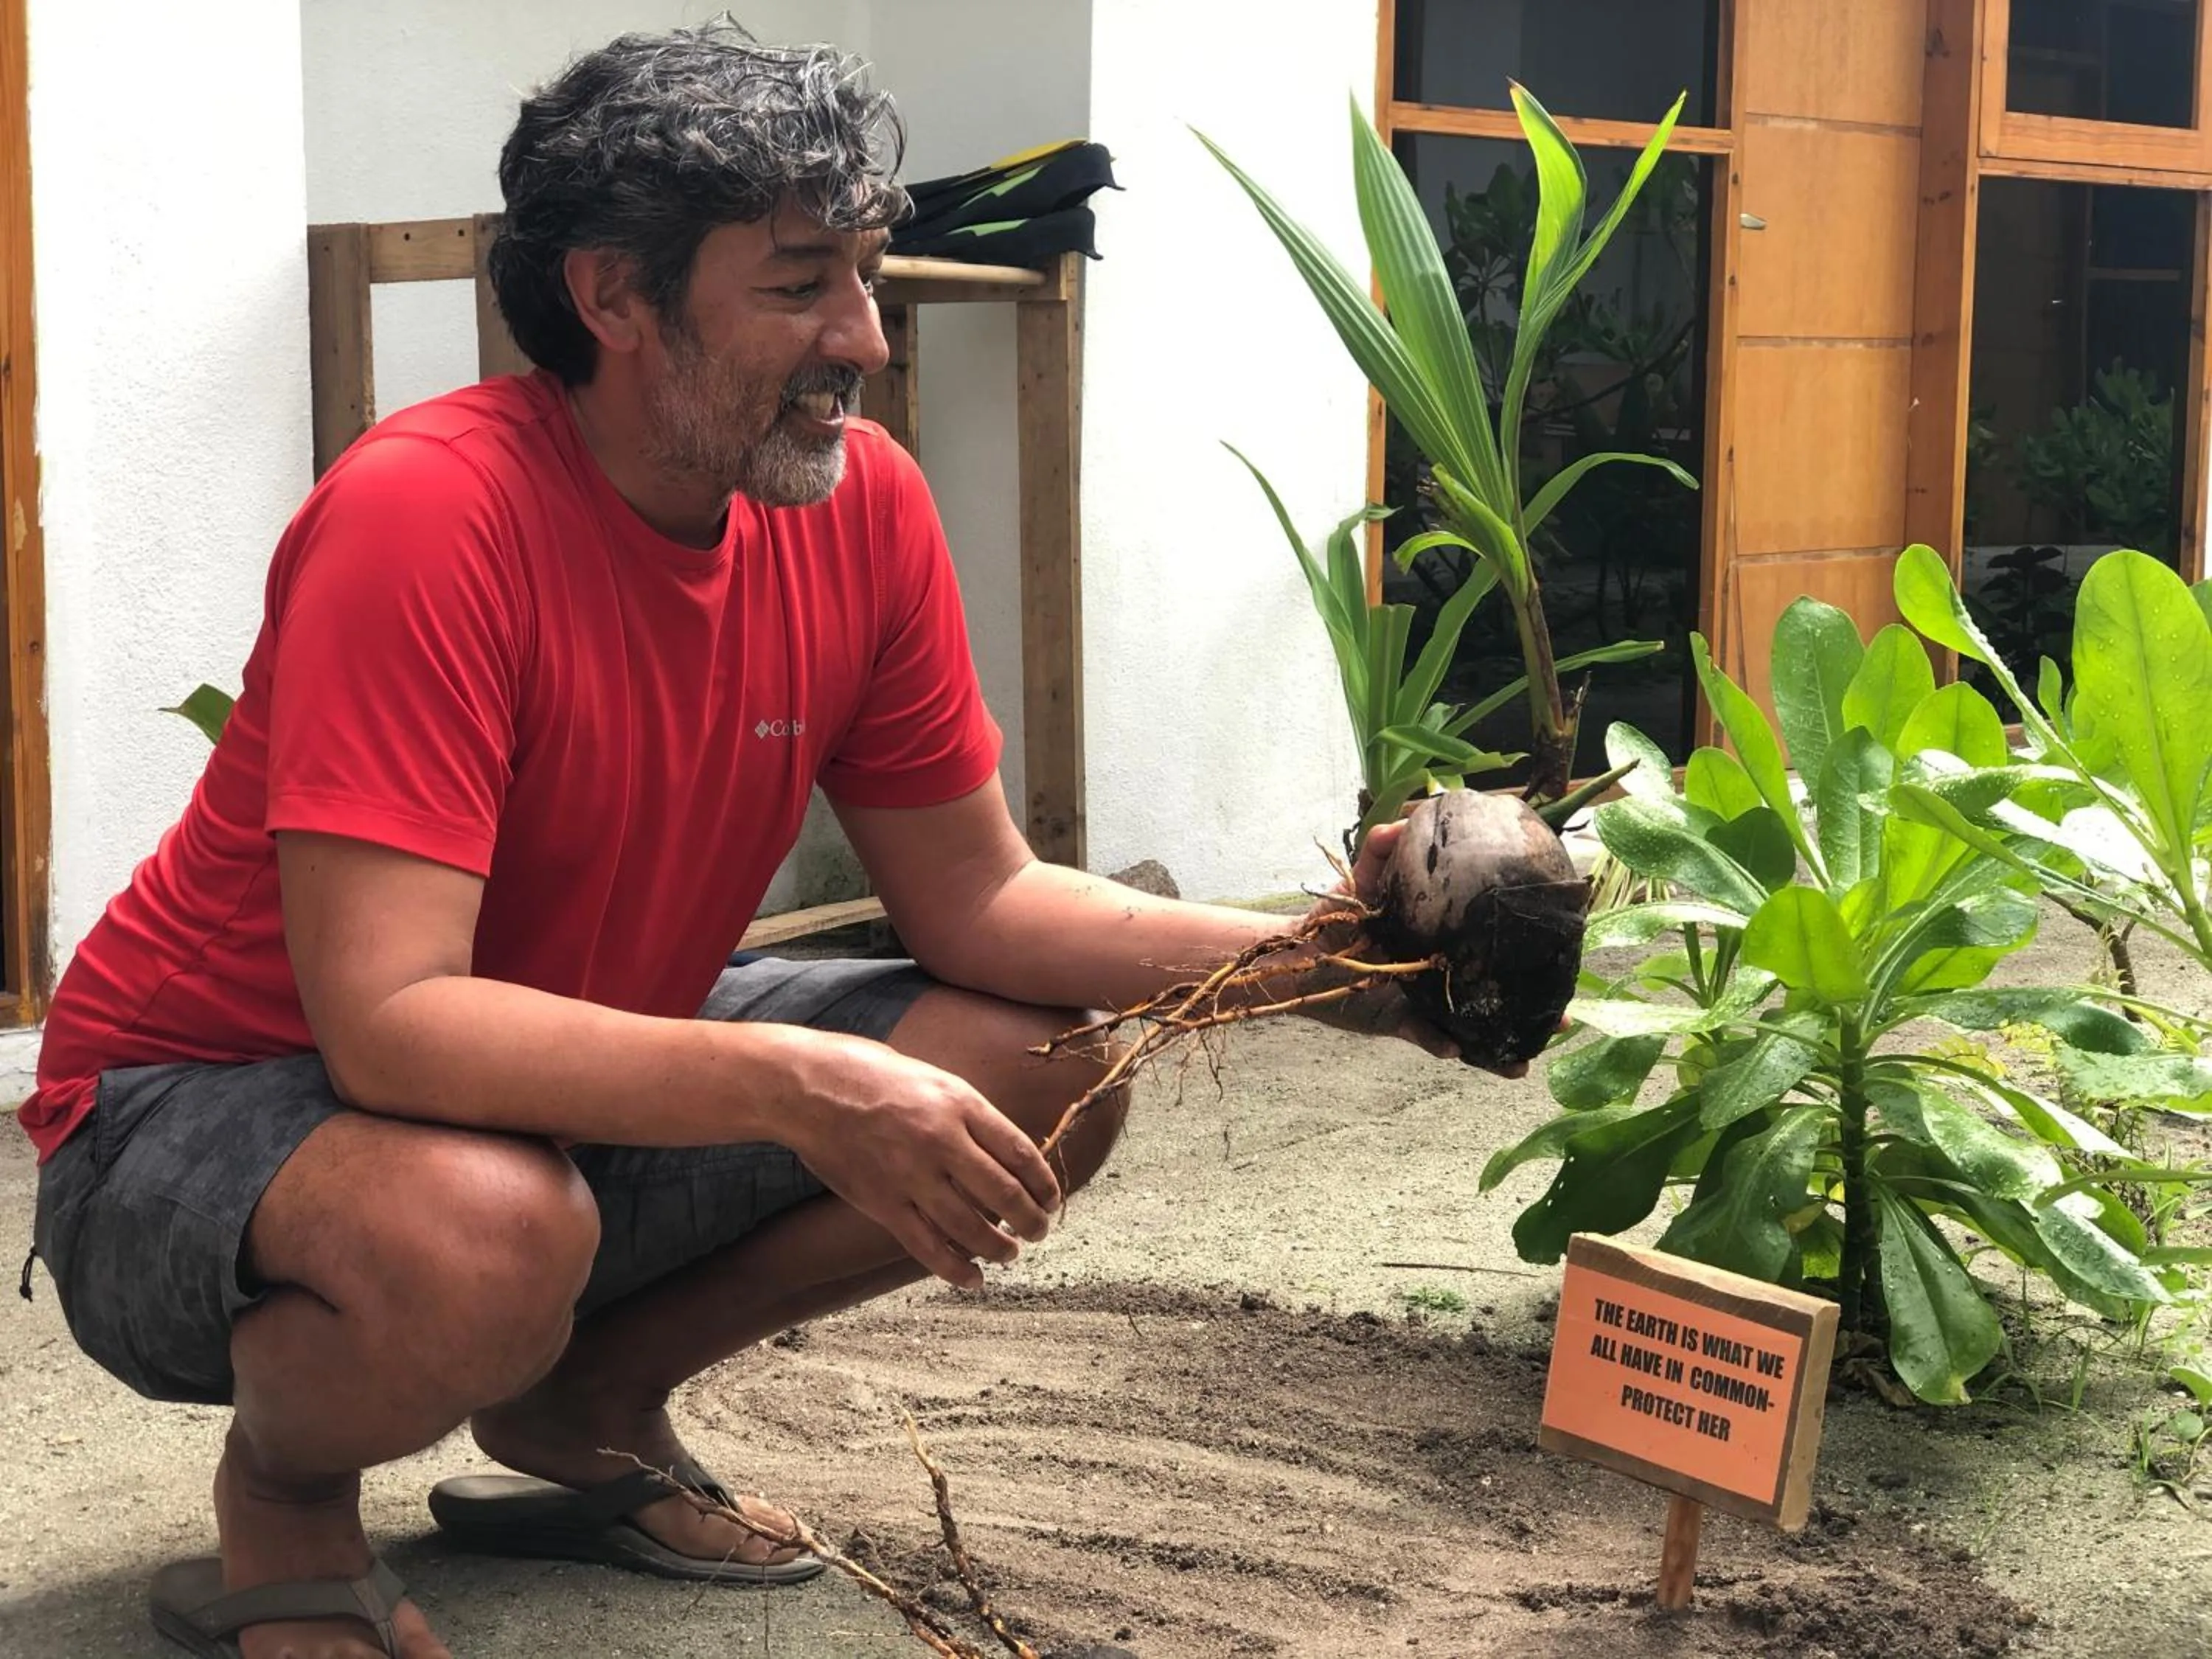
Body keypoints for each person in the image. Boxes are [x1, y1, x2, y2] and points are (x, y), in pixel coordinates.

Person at [20, 24, 1495, 1659]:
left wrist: (1350, 968)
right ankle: (284, 1507)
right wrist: (810, 1083)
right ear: (614, 300)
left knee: (1038, 1065)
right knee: (496, 1231)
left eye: (867, 272)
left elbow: (983, 899)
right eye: (800, 285)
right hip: (187, 1117)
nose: (864, 336)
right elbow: (394, 1021)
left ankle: (589, 1402)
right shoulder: (427, 514)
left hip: (552, 1075)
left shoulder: (862, 511)